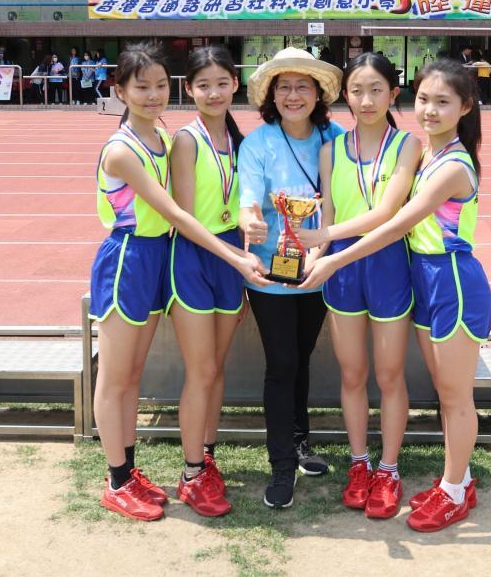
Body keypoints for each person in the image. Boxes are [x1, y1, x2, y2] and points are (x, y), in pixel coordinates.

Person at [299, 59, 490, 533]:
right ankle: (454, 481)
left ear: (466, 107)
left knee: (453, 395)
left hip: (448, 277)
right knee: (439, 389)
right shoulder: (431, 155)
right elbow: (337, 208)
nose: (429, 110)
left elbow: (394, 221)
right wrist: (317, 251)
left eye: (442, 101)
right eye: (425, 100)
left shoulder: (444, 162)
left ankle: (447, 487)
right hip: (422, 274)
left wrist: (330, 250)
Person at [90, 43, 265, 522]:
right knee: (116, 377)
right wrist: (236, 256)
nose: (152, 95)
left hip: (158, 257)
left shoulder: (162, 138)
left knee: (134, 374)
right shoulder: (123, 150)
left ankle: (130, 470)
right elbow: (176, 214)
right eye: (141, 87)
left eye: (160, 86)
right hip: (129, 257)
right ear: (120, 91)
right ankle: (117, 479)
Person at [294, 53, 421, 520]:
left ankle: (388, 468)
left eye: (376, 90)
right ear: (344, 96)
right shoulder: (331, 150)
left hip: (387, 262)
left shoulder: (408, 144)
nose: (366, 100)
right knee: (352, 374)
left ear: (393, 93)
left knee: (389, 375)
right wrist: (313, 257)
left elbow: (387, 213)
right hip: (343, 270)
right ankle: (360, 462)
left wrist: (325, 239)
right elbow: (327, 211)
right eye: (357, 91)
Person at [237, 47, 345, 509]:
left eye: (303, 86)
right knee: (281, 364)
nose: (293, 95)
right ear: (272, 95)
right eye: (284, 87)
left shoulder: (335, 138)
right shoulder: (257, 143)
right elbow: (248, 200)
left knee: (300, 358)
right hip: (270, 274)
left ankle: (301, 442)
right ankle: (281, 464)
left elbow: (340, 201)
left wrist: (321, 252)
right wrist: (250, 221)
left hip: (319, 270)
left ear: (319, 94)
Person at [167, 47, 249, 518]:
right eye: (203, 85)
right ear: (190, 89)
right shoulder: (186, 140)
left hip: (230, 256)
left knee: (215, 368)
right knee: (200, 371)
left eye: (221, 83)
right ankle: (191, 472)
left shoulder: (239, 140)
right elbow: (183, 217)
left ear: (235, 84)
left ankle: (207, 456)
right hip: (196, 258)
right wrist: (233, 256)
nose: (213, 93)